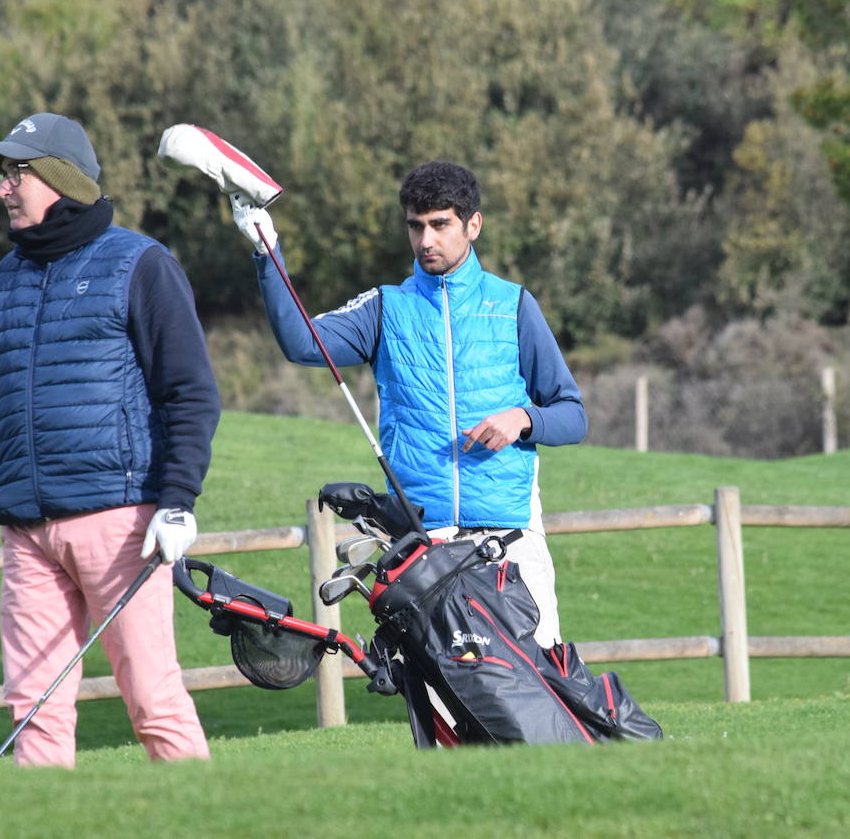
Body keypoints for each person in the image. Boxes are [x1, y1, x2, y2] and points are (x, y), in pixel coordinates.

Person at [235, 161, 587, 648]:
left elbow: (573, 414)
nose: (426, 241)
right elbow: (302, 342)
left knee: (542, 692)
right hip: (425, 540)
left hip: (512, 539)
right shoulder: (384, 307)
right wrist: (266, 250)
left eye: (440, 224)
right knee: (451, 705)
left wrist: (523, 418)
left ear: (473, 225)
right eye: (416, 227)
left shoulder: (514, 305)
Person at [0, 112, 218, 766]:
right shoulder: (5, 277)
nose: (3, 188)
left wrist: (178, 501)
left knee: (153, 703)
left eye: (14, 172)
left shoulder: (141, 264)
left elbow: (190, 392)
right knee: (33, 714)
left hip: (122, 524)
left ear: (58, 178)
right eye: (2, 174)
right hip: (28, 530)